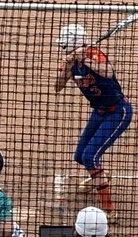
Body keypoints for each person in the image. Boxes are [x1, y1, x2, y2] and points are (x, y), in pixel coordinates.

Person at [53, 23, 133, 220]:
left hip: (118, 112)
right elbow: (57, 86)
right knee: (80, 156)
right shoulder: (71, 62)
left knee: (90, 157)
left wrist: (85, 59)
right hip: (99, 112)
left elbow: (107, 72)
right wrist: (68, 66)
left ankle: (109, 209)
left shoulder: (94, 54)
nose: (63, 49)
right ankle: (98, 177)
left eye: (65, 45)